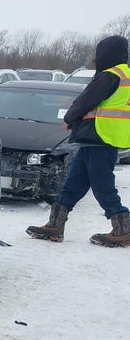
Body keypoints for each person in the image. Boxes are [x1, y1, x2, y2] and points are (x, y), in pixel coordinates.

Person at [26, 35, 130, 247]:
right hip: (100, 138)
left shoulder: (110, 76)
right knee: (74, 182)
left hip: (100, 136)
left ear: (106, 54)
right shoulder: (124, 75)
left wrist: (69, 118)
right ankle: (55, 224)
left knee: (102, 185)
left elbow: (86, 100)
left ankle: (123, 227)